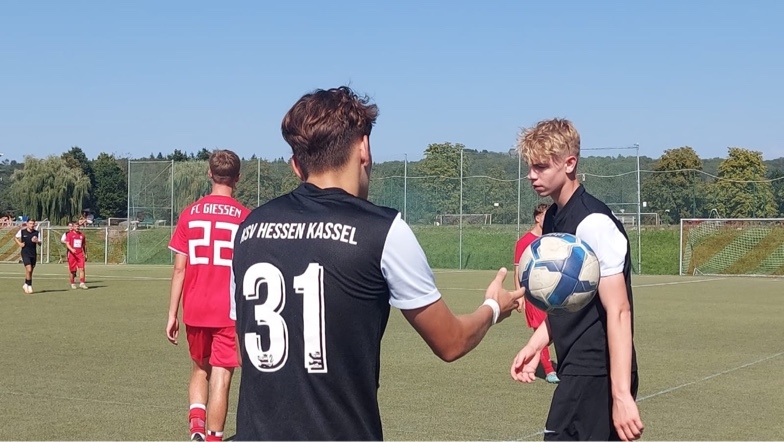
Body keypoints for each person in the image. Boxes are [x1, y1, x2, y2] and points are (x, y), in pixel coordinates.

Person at [230, 86, 524, 441]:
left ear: (295, 165)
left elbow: (245, 351)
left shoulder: (248, 229)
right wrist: (494, 307)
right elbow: (451, 342)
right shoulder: (383, 230)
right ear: (364, 148)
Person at [510, 118, 644, 441]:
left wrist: (621, 394)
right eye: (530, 167)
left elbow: (619, 311)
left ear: (570, 163)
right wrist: (535, 345)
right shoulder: (554, 218)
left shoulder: (593, 222)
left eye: (541, 167)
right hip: (575, 365)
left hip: (596, 369)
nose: (531, 175)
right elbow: (565, 301)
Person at [166, 149, 251, 442]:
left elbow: (180, 269)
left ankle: (196, 429)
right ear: (237, 178)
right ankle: (213, 438)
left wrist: (172, 314)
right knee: (222, 376)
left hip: (195, 306)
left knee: (199, 368)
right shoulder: (246, 218)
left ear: (209, 173)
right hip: (229, 310)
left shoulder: (189, 214)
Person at [513, 203, 559, 384]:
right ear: (538, 218)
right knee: (540, 327)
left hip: (552, 292)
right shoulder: (524, 242)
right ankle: (549, 370)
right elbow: (517, 271)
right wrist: (519, 296)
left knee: (556, 328)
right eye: (546, 215)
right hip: (533, 293)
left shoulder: (551, 239)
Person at [14, 218, 40, 294]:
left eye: (33, 224)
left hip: (33, 253)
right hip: (25, 253)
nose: (32, 225)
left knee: (30, 271)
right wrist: (19, 243)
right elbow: (15, 238)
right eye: (30, 223)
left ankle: (26, 284)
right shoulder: (22, 231)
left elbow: (40, 243)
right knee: (29, 269)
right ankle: (29, 285)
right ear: (27, 224)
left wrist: (37, 241)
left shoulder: (37, 233)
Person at [62, 221, 88, 289]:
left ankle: (82, 283)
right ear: (73, 227)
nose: (77, 227)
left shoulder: (82, 235)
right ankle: (72, 283)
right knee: (72, 270)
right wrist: (71, 249)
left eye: (78, 226)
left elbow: (84, 245)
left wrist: (85, 254)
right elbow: (67, 244)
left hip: (80, 254)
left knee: (82, 268)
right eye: (75, 226)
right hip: (72, 255)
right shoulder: (69, 234)